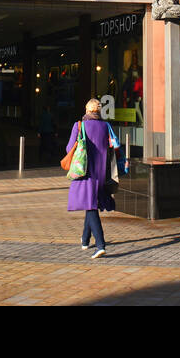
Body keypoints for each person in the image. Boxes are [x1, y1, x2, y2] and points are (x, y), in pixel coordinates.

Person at [67, 98, 115, 258]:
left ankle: (100, 244)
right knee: (91, 203)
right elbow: (114, 145)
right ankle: (85, 240)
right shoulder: (105, 126)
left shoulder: (80, 125)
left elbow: (69, 148)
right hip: (102, 173)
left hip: (85, 172)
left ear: (87, 111)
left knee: (91, 206)